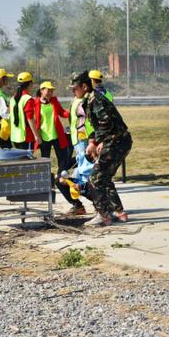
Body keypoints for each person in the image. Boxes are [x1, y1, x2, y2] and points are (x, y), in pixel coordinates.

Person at [71, 71, 132, 227]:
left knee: (94, 178)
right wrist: (94, 139)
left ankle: (103, 215)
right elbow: (99, 126)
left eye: (75, 88)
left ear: (84, 86)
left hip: (117, 142)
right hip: (118, 141)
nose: (73, 91)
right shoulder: (90, 100)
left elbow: (106, 124)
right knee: (104, 177)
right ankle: (119, 212)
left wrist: (94, 142)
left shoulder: (95, 100)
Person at [33, 81, 84, 214]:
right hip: (44, 138)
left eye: (51, 90)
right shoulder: (35, 103)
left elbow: (62, 113)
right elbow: (32, 120)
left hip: (57, 136)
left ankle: (63, 178)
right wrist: (36, 135)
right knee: (45, 162)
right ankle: (47, 185)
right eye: (48, 90)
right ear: (41, 90)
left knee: (63, 163)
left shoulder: (54, 100)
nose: (50, 93)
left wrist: (73, 113)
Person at [65, 75, 97, 216]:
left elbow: (90, 121)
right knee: (82, 171)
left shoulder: (86, 101)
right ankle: (94, 203)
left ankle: (98, 204)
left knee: (86, 171)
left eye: (75, 89)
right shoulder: (76, 100)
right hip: (77, 139)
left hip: (85, 139)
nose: (73, 92)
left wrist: (92, 140)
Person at [10, 72, 41, 151]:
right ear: (30, 84)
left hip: (15, 136)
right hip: (26, 137)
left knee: (20, 161)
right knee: (27, 161)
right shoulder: (28, 99)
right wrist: (36, 136)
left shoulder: (13, 98)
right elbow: (30, 118)